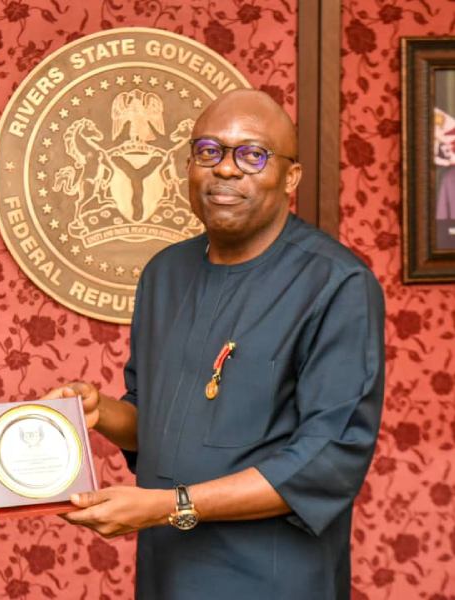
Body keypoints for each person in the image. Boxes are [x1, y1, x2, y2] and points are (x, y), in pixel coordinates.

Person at [45, 90, 385, 599]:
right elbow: (158, 424)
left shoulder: (336, 284)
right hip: (168, 572)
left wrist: (166, 506)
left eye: (252, 154)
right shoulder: (165, 274)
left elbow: (325, 460)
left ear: (290, 177)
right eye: (209, 151)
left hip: (272, 578)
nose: (226, 170)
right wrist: (98, 412)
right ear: (188, 167)